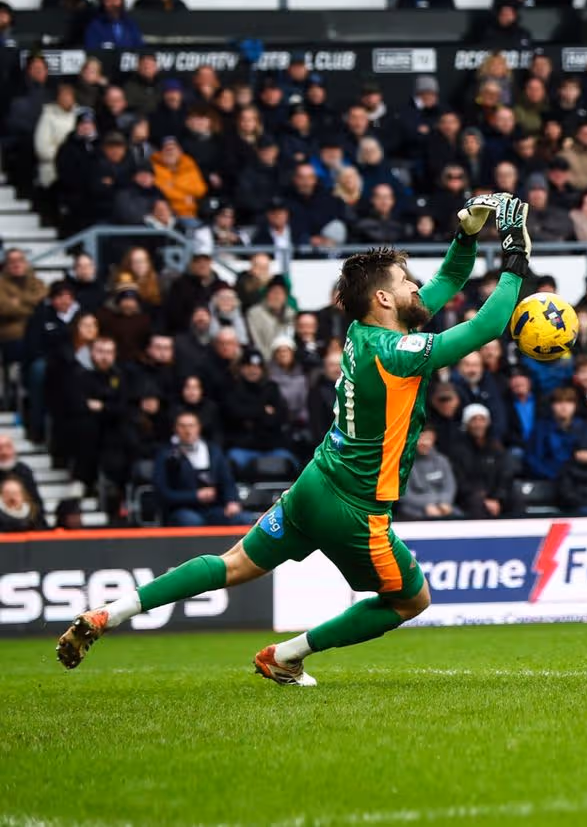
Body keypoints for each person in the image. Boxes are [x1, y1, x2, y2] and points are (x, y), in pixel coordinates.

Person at [56, 192, 534, 686]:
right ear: (384, 299)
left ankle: (110, 613)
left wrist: (466, 236)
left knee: (233, 564)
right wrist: (516, 255)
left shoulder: (362, 332)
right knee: (411, 600)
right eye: (406, 282)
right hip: (356, 508)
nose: (417, 286)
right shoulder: (399, 352)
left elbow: (448, 280)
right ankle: (287, 654)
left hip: (314, 484)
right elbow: (488, 325)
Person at [154, 411, 249, 527]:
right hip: (181, 509)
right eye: (182, 426)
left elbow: (227, 481)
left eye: (191, 426)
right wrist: (195, 496)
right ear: (175, 429)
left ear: (199, 428)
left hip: (214, 508)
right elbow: (162, 492)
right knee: (191, 520)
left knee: (243, 518)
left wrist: (231, 501)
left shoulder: (213, 451)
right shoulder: (165, 455)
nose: (187, 431)